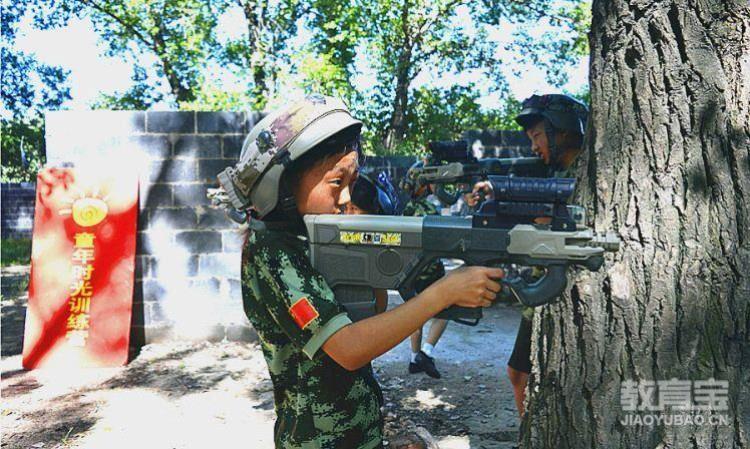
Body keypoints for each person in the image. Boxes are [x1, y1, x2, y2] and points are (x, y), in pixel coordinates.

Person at [211, 94, 505, 449]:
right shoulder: (274, 252)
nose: (347, 198)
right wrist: (442, 293)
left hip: (357, 433)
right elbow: (349, 349)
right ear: (284, 183)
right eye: (337, 182)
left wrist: (373, 262)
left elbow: (371, 313)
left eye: (352, 181)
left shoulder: (309, 239)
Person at [472, 93, 588, 417]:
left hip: (562, 284)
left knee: (524, 374)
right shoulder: (556, 173)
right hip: (545, 281)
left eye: (537, 136)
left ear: (562, 130)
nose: (534, 146)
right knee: (518, 373)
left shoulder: (588, 173)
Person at [400, 167, 449, 379]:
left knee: (415, 314)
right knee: (445, 312)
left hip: (409, 272)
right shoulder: (430, 209)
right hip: (431, 271)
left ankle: (414, 359)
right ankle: (426, 353)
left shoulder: (403, 209)